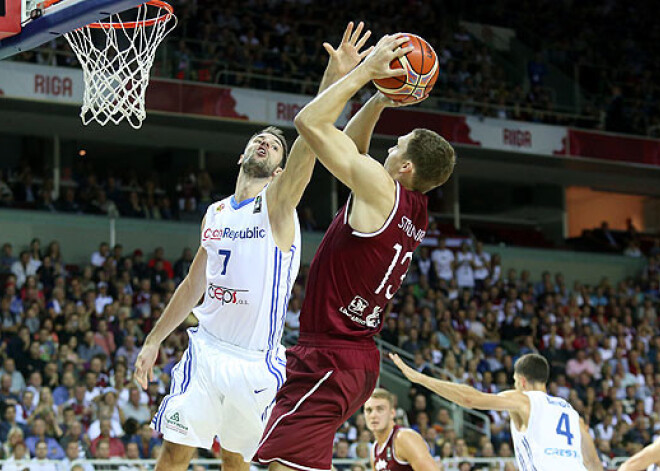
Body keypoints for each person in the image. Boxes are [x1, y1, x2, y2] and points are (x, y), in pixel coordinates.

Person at [133, 23, 372, 471]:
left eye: (275, 145)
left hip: (255, 363)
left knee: (237, 462)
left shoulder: (278, 205)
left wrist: (336, 78)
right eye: (259, 138)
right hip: (205, 350)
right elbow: (193, 284)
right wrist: (152, 340)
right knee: (173, 451)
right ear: (241, 154)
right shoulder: (216, 213)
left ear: (281, 171)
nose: (266, 141)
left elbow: (309, 142)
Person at [256, 32, 455, 471]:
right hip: (349, 355)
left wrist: (365, 73)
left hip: (332, 353)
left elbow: (309, 123)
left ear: (404, 168)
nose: (389, 145)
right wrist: (382, 98)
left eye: (397, 145)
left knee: (281, 466)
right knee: (279, 462)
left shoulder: (382, 190)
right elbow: (355, 146)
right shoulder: (412, 206)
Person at [391, 352, 603, 471]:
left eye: (513, 382)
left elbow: (469, 398)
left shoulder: (523, 398)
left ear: (521, 380)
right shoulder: (571, 412)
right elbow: (593, 462)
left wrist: (421, 379)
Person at [365, 388, 437, 471]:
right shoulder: (374, 449)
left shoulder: (404, 438)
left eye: (380, 409)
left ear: (392, 413)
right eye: (369, 410)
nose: (373, 415)